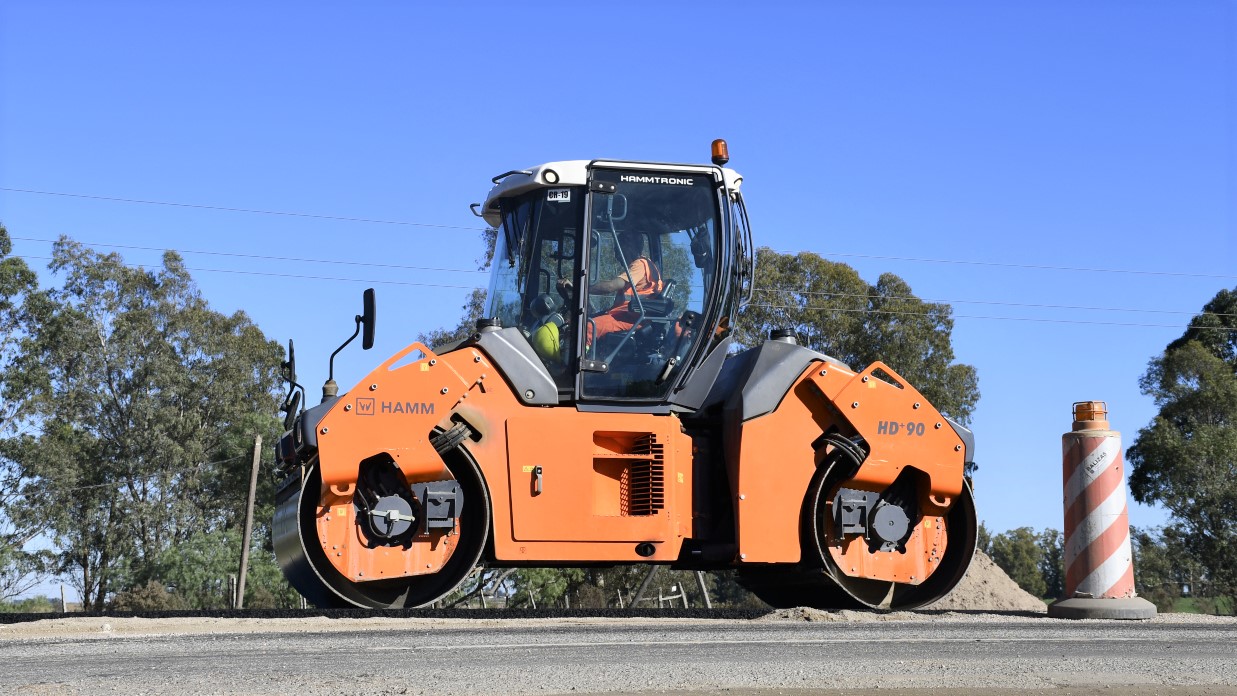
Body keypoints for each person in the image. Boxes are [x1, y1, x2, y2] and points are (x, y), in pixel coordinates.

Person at [557, 230, 662, 348]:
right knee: (575, 322)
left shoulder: (640, 265)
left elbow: (610, 286)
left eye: (618, 249)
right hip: (625, 317)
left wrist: (579, 287)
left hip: (632, 320)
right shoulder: (646, 265)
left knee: (585, 329)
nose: (617, 255)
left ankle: (572, 362)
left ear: (628, 245)